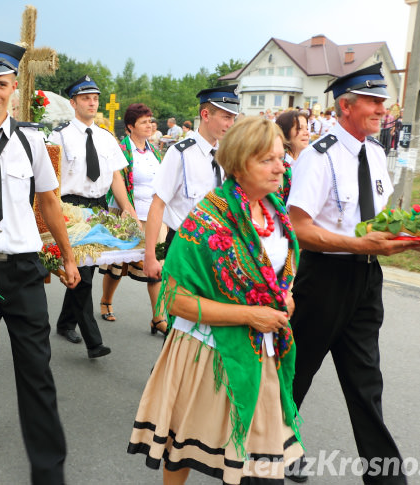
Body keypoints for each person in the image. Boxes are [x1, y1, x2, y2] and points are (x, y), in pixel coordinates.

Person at [285, 63, 420, 484]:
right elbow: (299, 230)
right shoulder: (317, 157)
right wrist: (361, 245)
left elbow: (379, 223)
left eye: (382, 101)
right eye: (373, 101)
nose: (382, 108)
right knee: (294, 378)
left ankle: (386, 479)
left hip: (365, 281)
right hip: (322, 280)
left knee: (366, 385)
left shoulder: (376, 153)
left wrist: (419, 237)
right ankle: (262, 460)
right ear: (345, 105)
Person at [128, 117, 304, 484]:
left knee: (260, 463)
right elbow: (173, 299)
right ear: (239, 165)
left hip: (260, 351)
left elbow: (275, 272)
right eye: (267, 160)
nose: (280, 167)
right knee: (182, 451)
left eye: (281, 157)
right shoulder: (206, 220)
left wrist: (284, 297)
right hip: (206, 352)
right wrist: (250, 315)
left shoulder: (275, 211)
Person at [0, 38, 80, 484]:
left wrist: (67, 254)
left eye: (1, 85)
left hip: (24, 268)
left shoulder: (31, 140)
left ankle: (48, 468)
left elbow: (48, 201)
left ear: (13, 89)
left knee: (37, 368)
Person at [49, 74, 136, 356]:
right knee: (83, 275)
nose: (92, 103)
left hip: (98, 207)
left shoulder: (106, 137)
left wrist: (128, 209)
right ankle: (93, 342)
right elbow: (51, 179)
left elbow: (115, 178)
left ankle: (65, 322)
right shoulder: (59, 135)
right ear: (73, 102)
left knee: (84, 269)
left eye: (95, 98)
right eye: (86, 98)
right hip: (70, 207)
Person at [143, 85, 239, 294]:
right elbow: (158, 205)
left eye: (233, 118)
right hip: (184, 246)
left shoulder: (226, 154)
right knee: (182, 317)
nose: (231, 124)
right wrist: (150, 255)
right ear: (206, 114)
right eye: (226, 117)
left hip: (218, 248)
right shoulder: (180, 154)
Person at [98, 103, 166, 333]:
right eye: (144, 121)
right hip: (126, 215)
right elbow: (116, 183)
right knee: (118, 265)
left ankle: (158, 317)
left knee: (156, 267)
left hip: (155, 216)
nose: (150, 125)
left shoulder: (155, 151)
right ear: (130, 126)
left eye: (150, 120)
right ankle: (106, 300)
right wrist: (131, 213)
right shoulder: (121, 150)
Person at [275, 109, 309, 201]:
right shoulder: (278, 165)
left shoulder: (310, 160)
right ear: (285, 132)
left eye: (307, 128)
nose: (306, 133)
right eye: (299, 129)